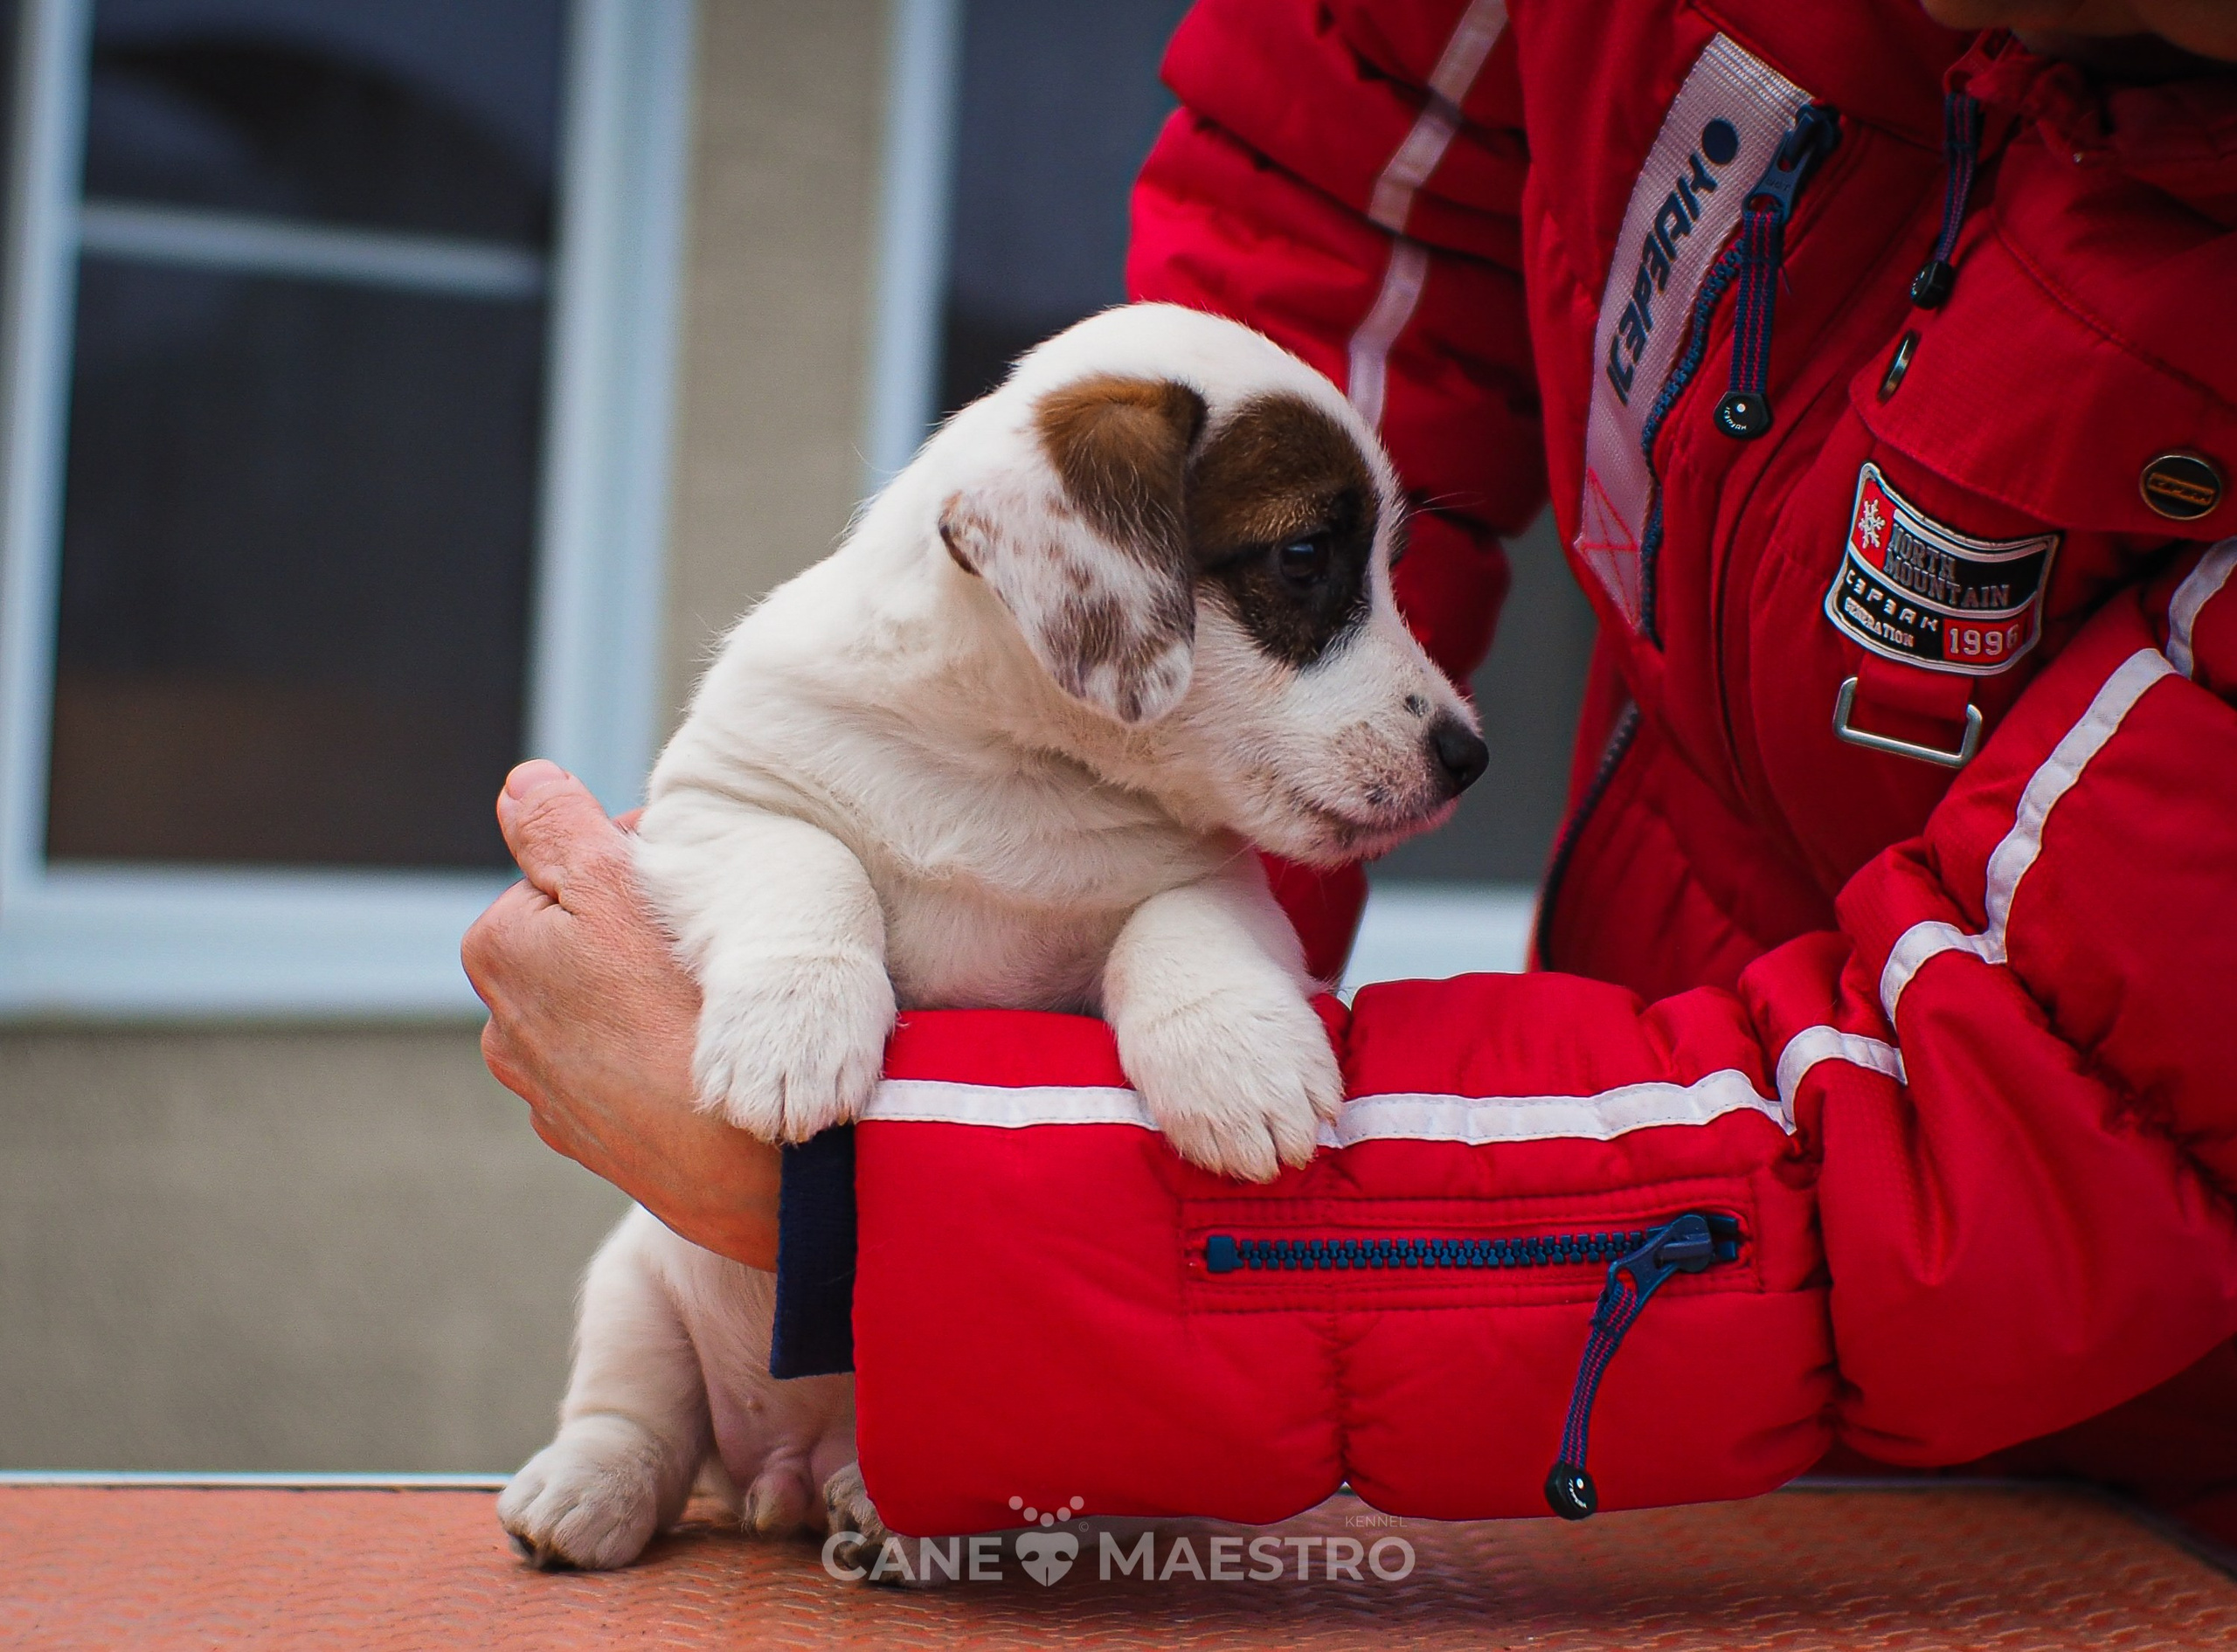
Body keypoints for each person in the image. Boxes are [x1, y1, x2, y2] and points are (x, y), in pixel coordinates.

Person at [466, 0, 2237, 1543]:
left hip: (2048, 1390)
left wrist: (1168, 990)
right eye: (1323, 575)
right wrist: (807, 951)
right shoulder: (876, 650)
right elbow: (1328, 199)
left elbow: (2069, 1104)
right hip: (1675, 1318)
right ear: (1081, 587)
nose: (1435, 696)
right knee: (640, 1323)